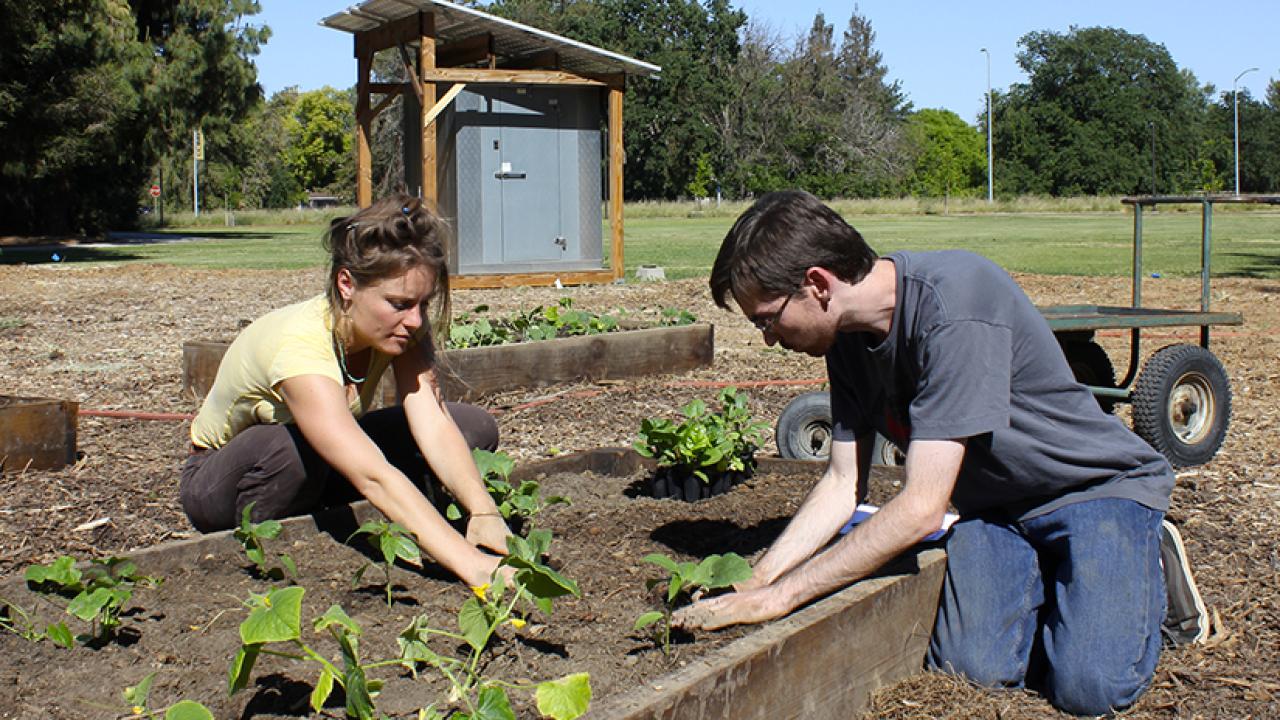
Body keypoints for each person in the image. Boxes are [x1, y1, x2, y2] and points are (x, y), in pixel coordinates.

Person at [674, 190, 1200, 716]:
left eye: (766, 319)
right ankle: (1060, 575)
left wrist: (781, 599)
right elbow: (840, 484)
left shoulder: (954, 305)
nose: (767, 339)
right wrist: (761, 577)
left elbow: (922, 507)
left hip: (1091, 489)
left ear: (816, 284)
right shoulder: (847, 342)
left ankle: (1151, 556)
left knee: (1089, 689)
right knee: (974, 675)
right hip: (994, 512)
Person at [181, 194, 511, 587]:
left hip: (322, 463)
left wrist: (483, 512)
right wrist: (472, 566)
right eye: (399, 303)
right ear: (346, 285)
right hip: (223, 481)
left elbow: (435, 425)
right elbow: (372, 475)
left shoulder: (403, 330)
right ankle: (268, 543)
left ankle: (339, 510)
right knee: (286, 450)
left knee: (472, 426)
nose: (415, 320)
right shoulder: (301, 344)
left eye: (424, 304)